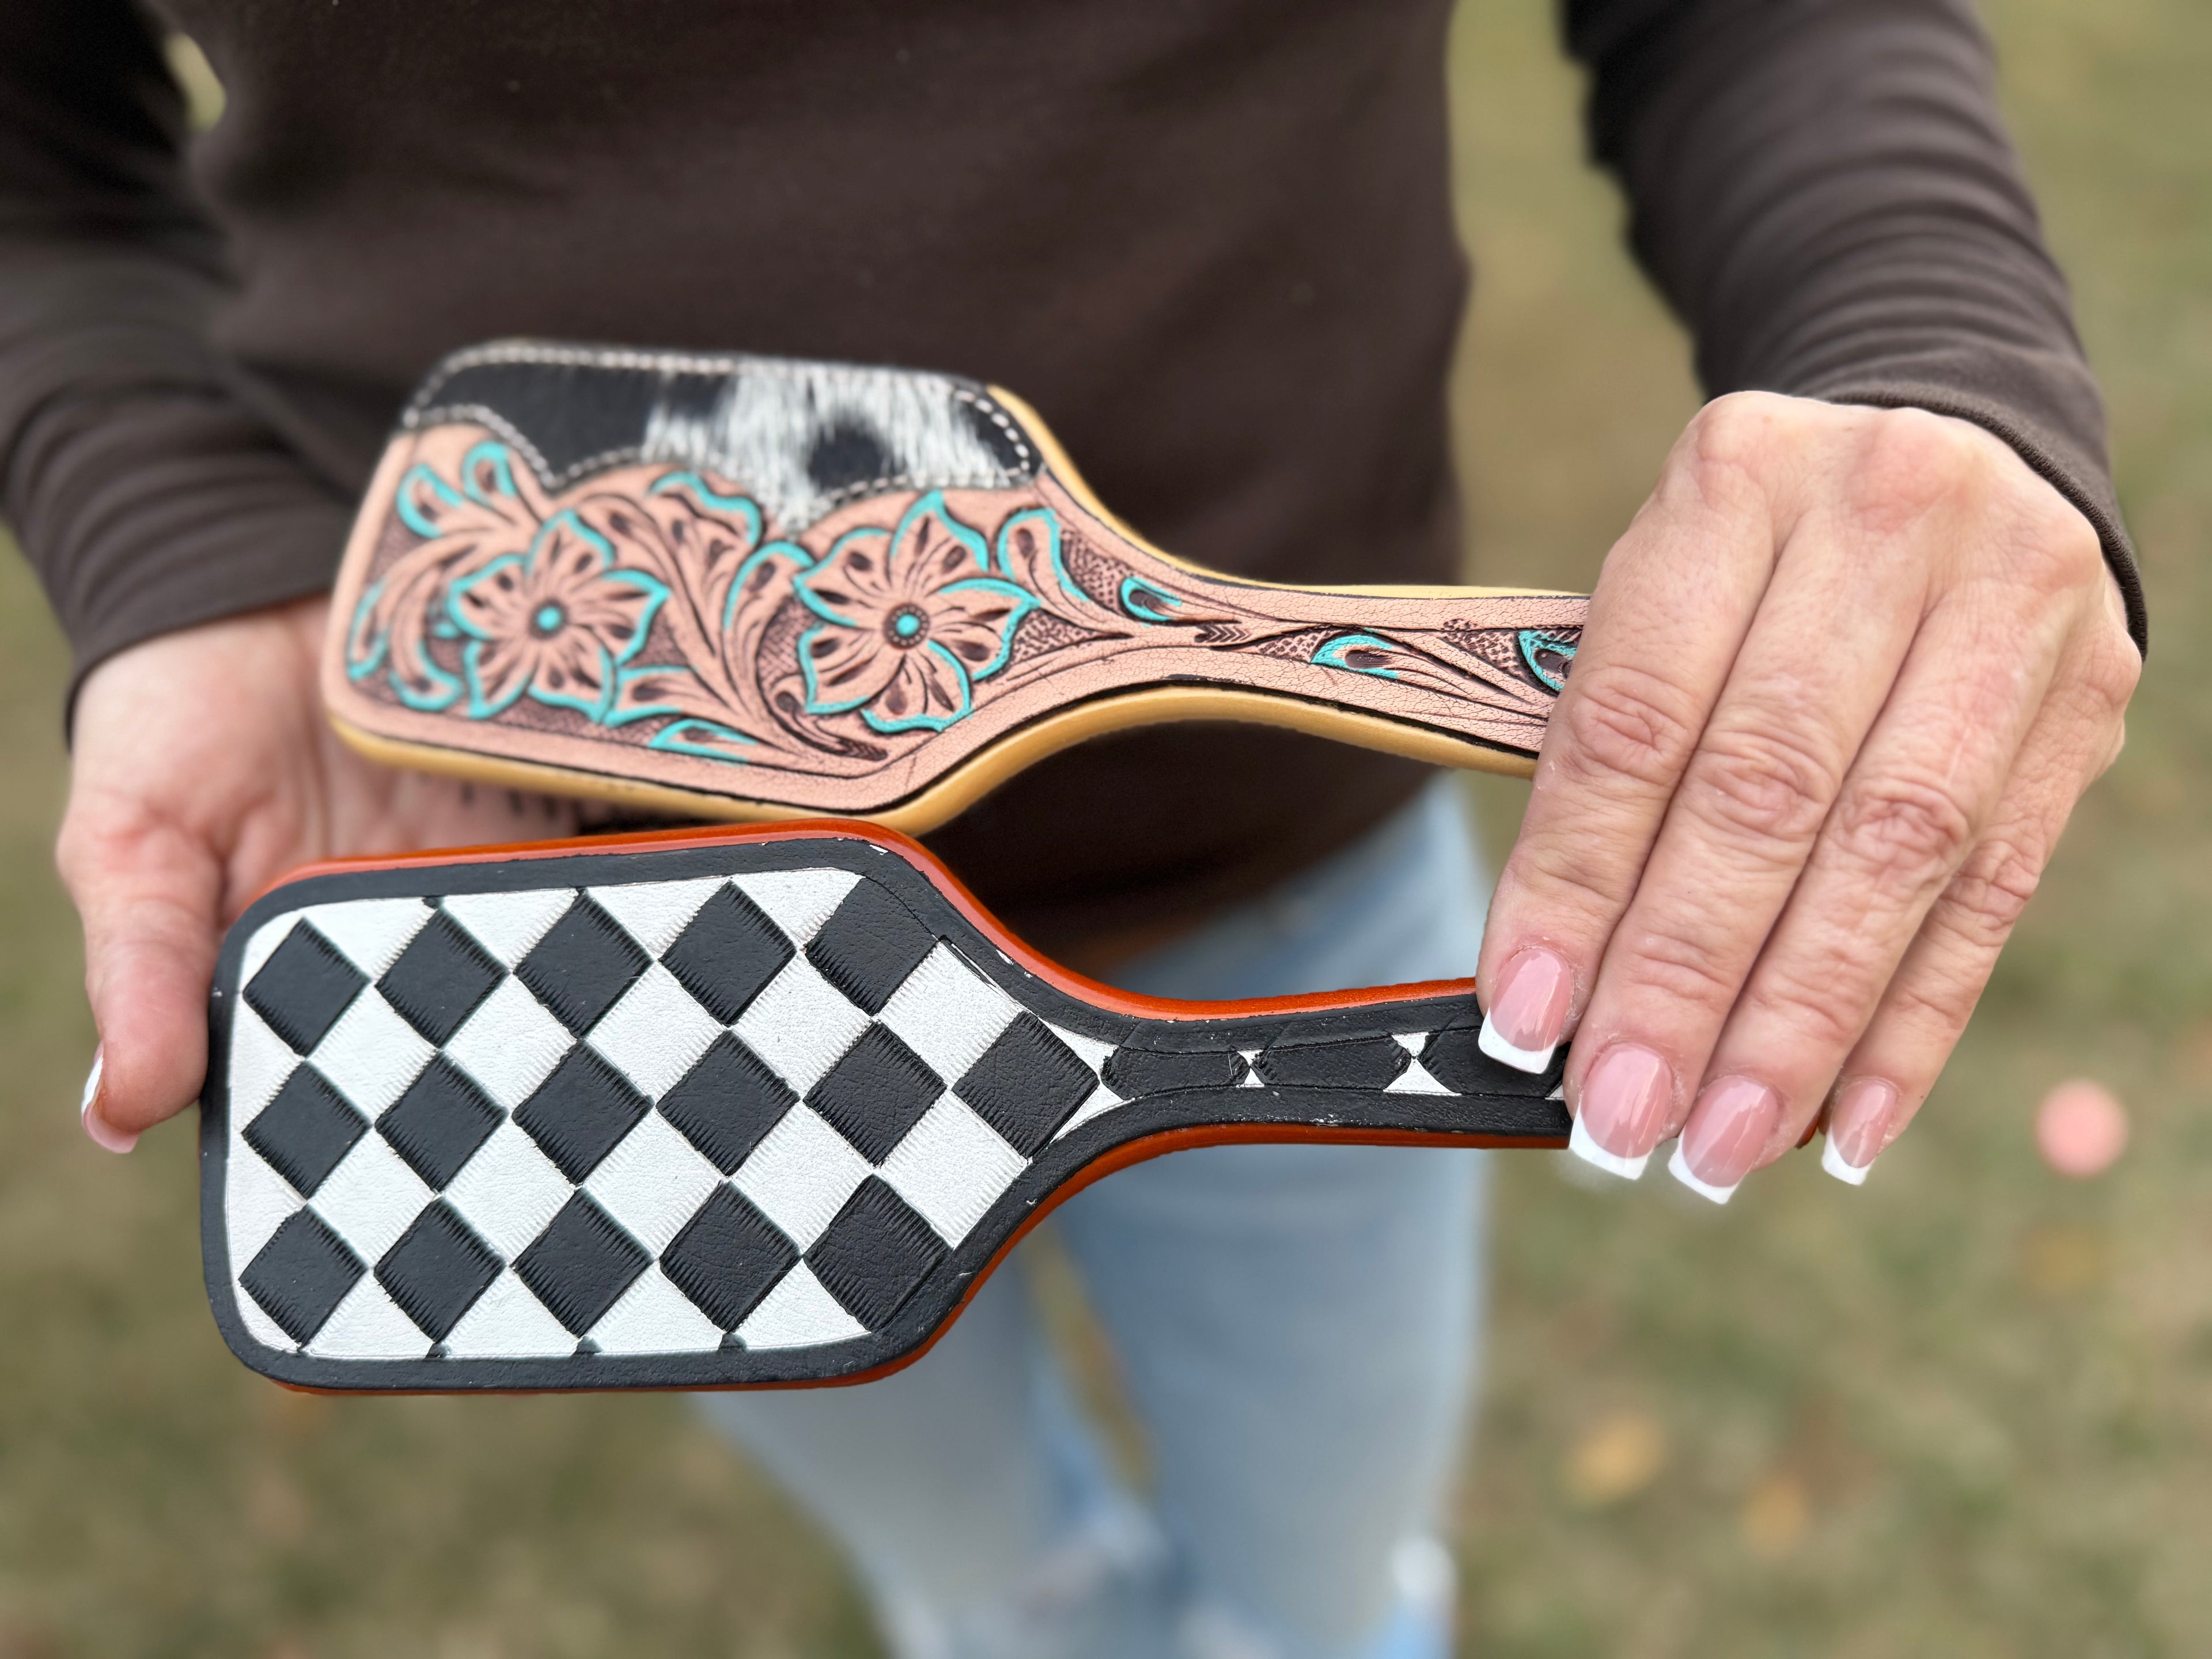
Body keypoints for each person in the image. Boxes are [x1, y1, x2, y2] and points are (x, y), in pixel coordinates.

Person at [0, 3, 2141, 1656]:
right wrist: (183, 537)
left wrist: (1921, 340)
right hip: (585, 936)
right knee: (988, 1576)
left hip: (1291, 864)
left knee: (1318, 1572)